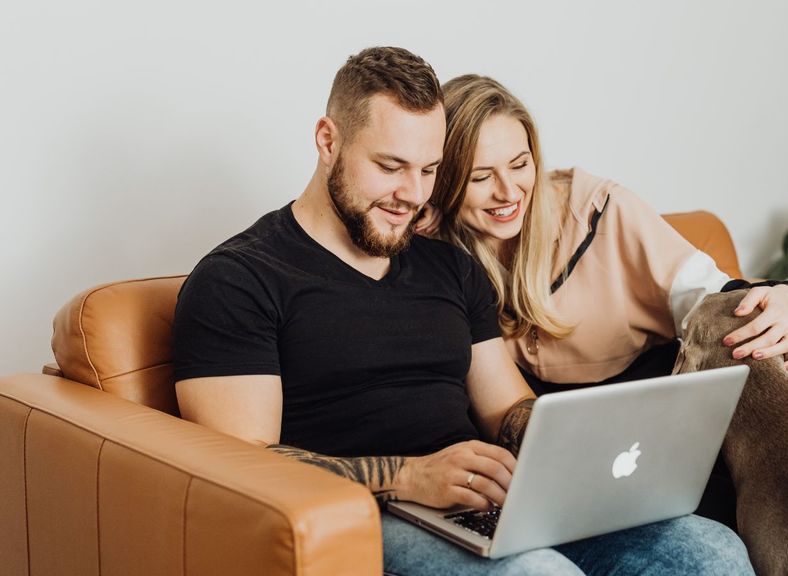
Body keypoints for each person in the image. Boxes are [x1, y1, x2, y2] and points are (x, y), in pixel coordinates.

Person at [172, 47, 754, 575]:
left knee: (708, 551)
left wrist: (580, 450)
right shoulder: (239, 280)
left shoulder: (448, 268)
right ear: (328, 141)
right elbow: (241, 466)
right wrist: (409, 476)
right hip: (365, 518)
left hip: (482, 505)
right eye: (390, 166)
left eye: (428, 171)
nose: (412, 194)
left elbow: (507, 409)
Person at [423, 74, 788, 526]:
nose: (509, 192)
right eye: (481, 176)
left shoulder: (600, 211)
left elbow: (714, 300)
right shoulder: (436, 254)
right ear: (445, 181)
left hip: (666, 427)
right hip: (565, 462)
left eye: (519, 164)